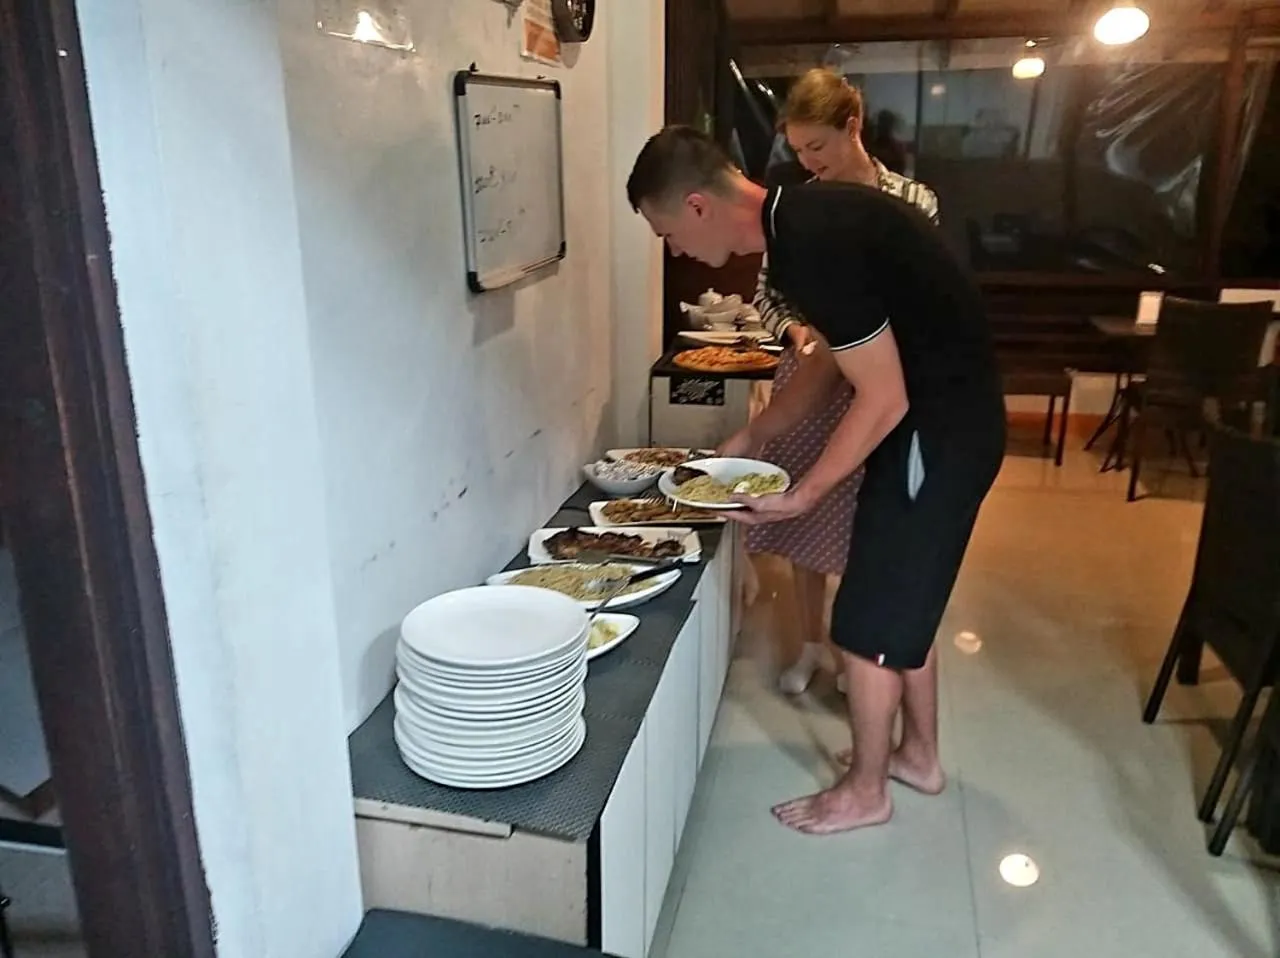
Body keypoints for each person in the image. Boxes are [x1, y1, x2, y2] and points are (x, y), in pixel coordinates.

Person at [625, 127, 1005, 834]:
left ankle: (867, 790)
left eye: (666, 232)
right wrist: (755, 436)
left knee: (867, 625)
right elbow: (834, 360)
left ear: (699, 205)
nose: (674, 251)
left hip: (937, 435)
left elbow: (883, 396)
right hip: (942, 429)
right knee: (906, 608)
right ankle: (917, 756)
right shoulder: (807, 222)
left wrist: (803, 493)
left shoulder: (811, 244)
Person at [725, 69, 939, 696]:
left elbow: (919, 297)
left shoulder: (912, 201)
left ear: (853, 127)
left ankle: (856, 652)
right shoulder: (798, 206)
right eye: (797, 150)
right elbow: (767, 293)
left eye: (817, 146)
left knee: (860, 519)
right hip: (810, 372)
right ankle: (810, 644)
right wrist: (793, 330)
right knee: (800, 518)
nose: (808, 160)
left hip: (879, 379)